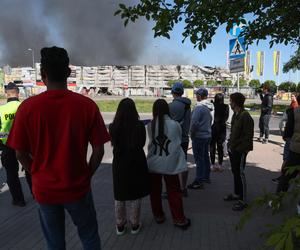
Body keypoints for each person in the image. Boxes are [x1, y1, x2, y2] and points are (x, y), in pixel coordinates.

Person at [7, 46, 110, 250]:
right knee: (89, 236)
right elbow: (99, 150)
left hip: (45, 190)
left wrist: (36, 172)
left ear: (43, 75)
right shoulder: (87, 106)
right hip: (77, 187)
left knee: (54, 243)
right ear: (68, 73)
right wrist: (87, 174)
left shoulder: (27, 108)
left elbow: (19, 153)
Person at [147, 99, 191, 230]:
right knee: (174, 191)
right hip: (171, 163)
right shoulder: (175, 124)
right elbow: (176, 141)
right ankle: (179, 219)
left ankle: (158, 216)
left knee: (155, 191)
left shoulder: (151, 125)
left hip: (153, 163)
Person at [109, 98, 150, 236]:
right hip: (136, 162)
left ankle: (120, 225)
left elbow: (114, 144)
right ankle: (134, 224)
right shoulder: (139, 126)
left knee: (119, 194)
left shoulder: (113, 126)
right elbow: (142, 143)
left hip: (119, 164)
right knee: (135, 194)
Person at [0, 82, 32, 207]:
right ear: (18, 93)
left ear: (6, 94)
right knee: (30, 169)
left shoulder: (1, 110)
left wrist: (5, 137)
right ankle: (36, 194)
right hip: (25, 144)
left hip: (7, 146)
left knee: (11, 174)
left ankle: (19, 200)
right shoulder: (25, 107)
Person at [224, 92, 254, 211]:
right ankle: (237, 194)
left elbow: (248, 136)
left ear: (235, 102)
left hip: (240, 151)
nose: (229, 103)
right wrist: (230, 146)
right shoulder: (236, 115)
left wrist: (241, 149)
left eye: (231, 101)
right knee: (235, 172)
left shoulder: (245, 116)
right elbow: (233, 133)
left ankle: (243, 200)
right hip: (234, 150)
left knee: (240, 173)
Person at [168, 82, 191, 197]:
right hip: (184, 139)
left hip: (173, 139)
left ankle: (174, 189)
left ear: (172, 92)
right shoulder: (187, 105)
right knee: (183, 164)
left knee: (172, 164)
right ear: (182, 92)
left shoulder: (170, 106)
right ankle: (183, 187)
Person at [188, 88, 213, 189]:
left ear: (200, 96)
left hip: (199, 136)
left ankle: (199, 180)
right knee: (205, 157)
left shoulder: (199, 108)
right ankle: (206, 177)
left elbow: (194, 123)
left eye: (197, 94)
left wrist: (192, 134)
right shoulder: (209, 107)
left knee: (199, 159)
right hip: (207, 134)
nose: (196, 96)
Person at [276, 94, 300, 194]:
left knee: (287, 174)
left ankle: (277, 199)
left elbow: (288, 131)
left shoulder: (294, 112)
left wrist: (285, 137)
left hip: (296, 148)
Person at [210, 93, 229, 172]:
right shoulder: (226, 106)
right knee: (220, 146)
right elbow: (226, 117)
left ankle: (212, 164)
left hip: (213, 128)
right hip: (222, 128)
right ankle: (220, 164)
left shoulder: (212, 105)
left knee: (212, 147)